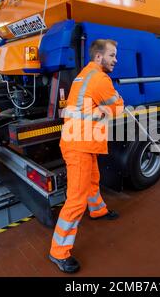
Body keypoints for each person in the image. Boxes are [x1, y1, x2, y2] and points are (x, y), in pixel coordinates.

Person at [49, 39, 125, 273]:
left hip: (79, 140)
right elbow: (119, 106)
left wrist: (102, 109)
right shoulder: (100, 79)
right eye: (112, 55)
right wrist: (110, 107)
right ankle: (58, 252)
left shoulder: (84, 74)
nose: (115, 59)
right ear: (99, 57)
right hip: (80, 143)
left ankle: (98, 210)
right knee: (76, 199)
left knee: (93, 179)